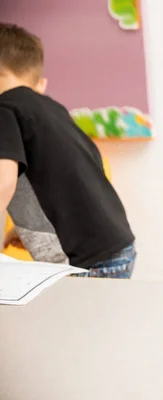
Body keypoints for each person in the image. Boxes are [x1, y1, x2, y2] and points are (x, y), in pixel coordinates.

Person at [0, 23, 136, 278]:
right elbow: (69, 175)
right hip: (117, 247)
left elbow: (2, 185)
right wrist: (22, 230)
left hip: (84, 262)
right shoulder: (52, 109)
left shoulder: (4, 110)